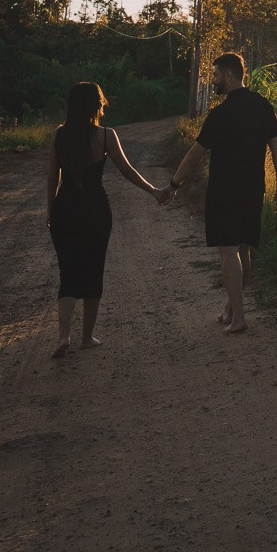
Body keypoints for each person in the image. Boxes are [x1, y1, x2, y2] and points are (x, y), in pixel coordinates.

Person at [160, 52, 277, 333]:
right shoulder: (264, 106)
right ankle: (231, 310)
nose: (214, 80)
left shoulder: (220, 114)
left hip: (224, 191)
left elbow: (195, 154)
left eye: (216, 75)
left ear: (230, 76)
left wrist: (173, 185)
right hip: (255, 188)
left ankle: (240, 318)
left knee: (228, 251)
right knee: (243, 249)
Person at [47, 81, 170, 358]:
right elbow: (127, 170)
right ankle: (87, 337)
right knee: (93, 269)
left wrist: (49, 212)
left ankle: (63, 336)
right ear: (96, 105)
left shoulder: (59, 136)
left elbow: (52, 179)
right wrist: (154, 191)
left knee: (68, 272)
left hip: (64, 210)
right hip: (96, 211)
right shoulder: (105, 136)